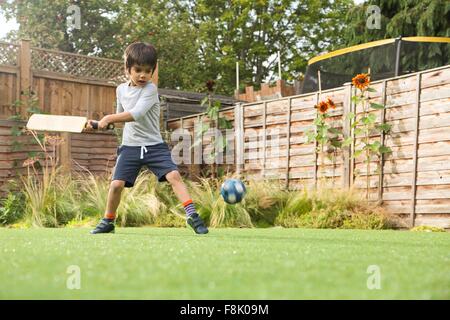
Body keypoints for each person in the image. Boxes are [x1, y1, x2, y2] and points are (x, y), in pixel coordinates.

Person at [89, 42, 208, 235]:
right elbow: (121, 118)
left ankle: (192, 216)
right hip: (130, 147)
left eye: (147, 71)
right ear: (127, 69)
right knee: (116, 185)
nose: (142, 75)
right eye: (137, 70)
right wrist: (99, 123)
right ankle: (108, 221)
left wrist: (108, 118)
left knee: (174, 176)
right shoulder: (120, 90)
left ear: (153, 71)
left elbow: (136, 114)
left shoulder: (150, 90)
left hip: (154, 146)